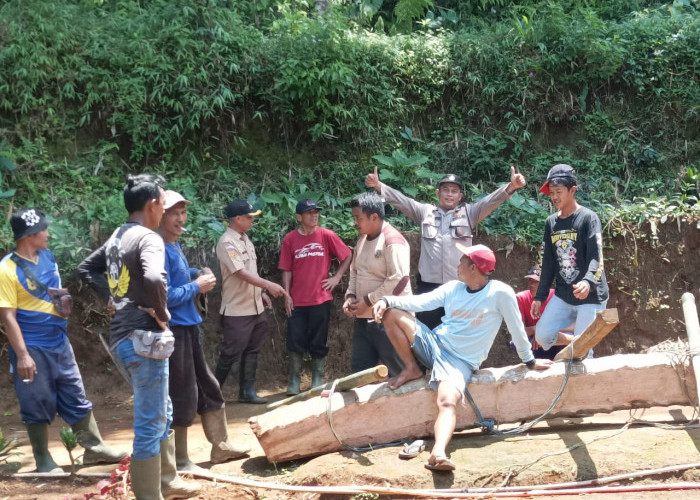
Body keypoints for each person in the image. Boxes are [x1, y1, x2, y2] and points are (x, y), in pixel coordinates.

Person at [372, 244, 552, 472]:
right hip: (434, 343)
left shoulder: (500, 293)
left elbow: (516, 328)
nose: (457, 265)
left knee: (447, 402)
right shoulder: (454, 288)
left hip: (459, 361)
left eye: (462, 261)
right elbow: (420, 302)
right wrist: (387, 300)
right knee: (392, 313)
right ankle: (412, 368)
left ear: (473, 268)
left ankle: (438, 452)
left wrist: (530, 361)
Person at [78, 174, 200, 499]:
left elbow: (86, 269)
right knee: (151, 421)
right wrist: (161, 312)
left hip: (123, 340)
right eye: (163, 202)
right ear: (151, 205)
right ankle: (150, 495)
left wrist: (112, 299)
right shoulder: (150, 238)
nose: (164, 209)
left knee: (164, 410)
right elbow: (153, 277)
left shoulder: (119, 236)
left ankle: (168, 481)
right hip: (143, 340)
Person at [0, 208, 126, 473]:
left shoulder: (48, 257)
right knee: (36, 400)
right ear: (28, 235)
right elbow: (8, 317)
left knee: (74, 391)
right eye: (43, 230)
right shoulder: (7, 269)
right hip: (32, 346)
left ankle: (94, 448)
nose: (48, 234)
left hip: (59, 340)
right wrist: (22, 355)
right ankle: (43, 459)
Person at [365, 166, 527, 330]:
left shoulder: (469, 213)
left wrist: (511, 186)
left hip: (458, 288)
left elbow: (490, 201)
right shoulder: (425, 212)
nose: (450, 194)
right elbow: (402, 201)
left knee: (456, 330)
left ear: (460, 196)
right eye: (446, 190)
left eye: (454, 191)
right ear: (438, 193)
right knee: (425, 331)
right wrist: (379, 186)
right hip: (428, 287)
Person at [157, 190, 250, 472]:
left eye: (183, 213)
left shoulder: (173, 246)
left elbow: (175, 280)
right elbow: (163, 296)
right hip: (174, 329)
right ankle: (181, 460)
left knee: (208, 385)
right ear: (158, 216)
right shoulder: (159, 249)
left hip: (188, 326)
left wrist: (194, 273)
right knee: (182, 392)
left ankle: (220, 446)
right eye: (174, 213)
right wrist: (197, 287)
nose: (180, 218)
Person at [214, 199, 287, 404]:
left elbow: (251, 273)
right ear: (237, 218)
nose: (251, 220)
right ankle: (211, 395)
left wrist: (262, 291)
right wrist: (270, 285)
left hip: (255, 306)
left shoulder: (245, 239)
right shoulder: (227, 242)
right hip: (237, 309)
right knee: (230, 352)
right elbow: (241, 273)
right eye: (248, 217)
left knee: (252, 349)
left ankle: (247, 392)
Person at [532, 164, 609, 353]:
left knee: (583, 352)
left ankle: (580, 347)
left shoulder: (588, 218)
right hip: (564, 295)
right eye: (551, 192)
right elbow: (548, 263)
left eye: (559, 191)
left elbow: (596, 258)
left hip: (590, 296)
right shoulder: (551, 223)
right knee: (542, 335)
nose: (554, 197)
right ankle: (574, 341)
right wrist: (540, 297)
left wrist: (587, 281)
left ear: (572, 190)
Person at [278, 199, 352, 395]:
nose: (314, 215)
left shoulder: (326, 235)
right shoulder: (290, 239)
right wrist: (286, 295)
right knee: (295, 339)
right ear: (299, 217)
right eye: (309, 212)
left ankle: (317, 378)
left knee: (319, 339)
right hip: (297, 300)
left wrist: (336, 277)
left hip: (321, 299)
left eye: (316, 212)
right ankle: (294, 380)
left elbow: (347, 255)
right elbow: (286, 269)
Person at [342, 192, 410, 377]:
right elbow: (355, 271)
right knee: (360, 372)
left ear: (374, 217)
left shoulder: (392, 241)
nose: (355, 222)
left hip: (390, 318)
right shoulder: (362, 239)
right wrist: (350, 296)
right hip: (364, 318)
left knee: (398, 371)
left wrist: (369, 300)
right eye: (354, 217)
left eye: (358, 218)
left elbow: (400, 279)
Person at [514, 264, 565, 360]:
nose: (532, 284)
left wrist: (543, 333)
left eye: (536, 281)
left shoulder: (556, 296)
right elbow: (518, 332)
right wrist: (536, 330)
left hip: (555, 339)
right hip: (534, 344)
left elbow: (566, 325)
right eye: (530, 280)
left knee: (571, 337)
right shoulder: (521, 298)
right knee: (516, 342)